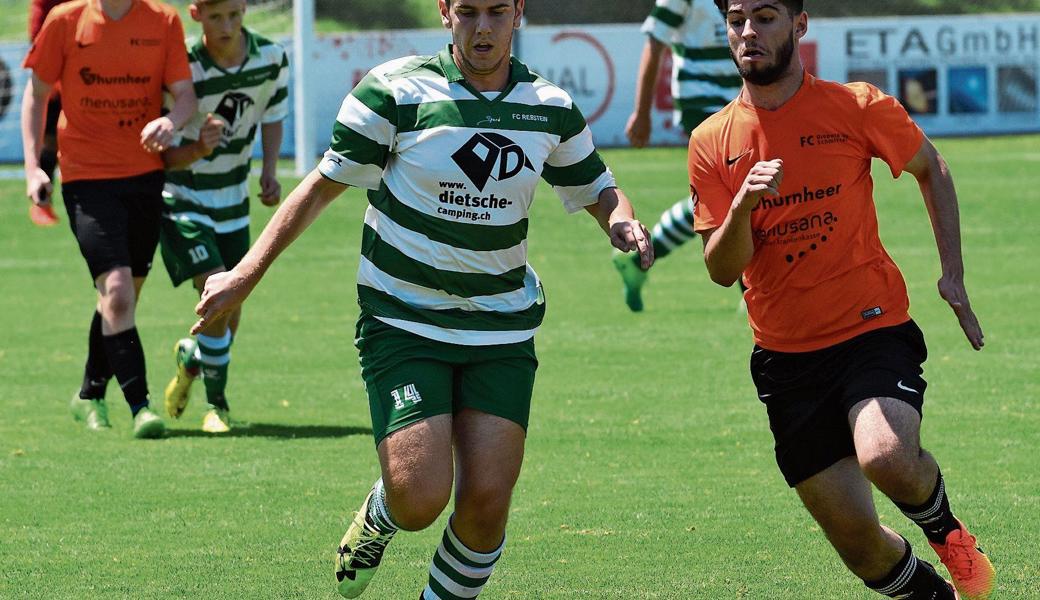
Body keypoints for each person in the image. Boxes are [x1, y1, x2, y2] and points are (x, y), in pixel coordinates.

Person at [192, 0, 653, 596]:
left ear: (518, 14)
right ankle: (381, 515)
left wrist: (621, 222)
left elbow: (598, 187)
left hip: (501, 328)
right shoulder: (393, 91)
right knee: (419, 499)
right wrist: (247, 273)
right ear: (444, 12)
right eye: (467, 12)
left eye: (496, 12)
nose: (482, 28)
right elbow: (320, 188)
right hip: (403, 319)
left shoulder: (550, 108)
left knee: (486, 505)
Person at [692, 1, 994, 599]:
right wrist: (743, 208)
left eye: (766, 16)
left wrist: (952, 276)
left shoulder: (855, 106)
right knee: (862, 550)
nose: (748, 31)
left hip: (870, 330)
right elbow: (723, 271)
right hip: (785, 360)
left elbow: (931, 166)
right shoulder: (711, 140)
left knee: (885, 455)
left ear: (800, 26)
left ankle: (947, 534)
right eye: (736, 19)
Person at [22, 0, 197, 438]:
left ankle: (89, 393)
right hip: (86, 179)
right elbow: (37, 93)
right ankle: (141, 408)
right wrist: (33, 166)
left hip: (144, 179)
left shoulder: (163, 20)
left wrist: (170, 122)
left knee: (120, 298)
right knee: (117, 291)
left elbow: (186, 96)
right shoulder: (65, 21)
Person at [159, 0, 288, 433]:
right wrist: (198, 146)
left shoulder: (271, 58)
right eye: (216, 17)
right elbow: (162, 158)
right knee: (216, 291)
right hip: (183, 197)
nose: (227, 26)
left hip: (233, 201)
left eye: (234, 14)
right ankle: (217, 406)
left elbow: (272, 116)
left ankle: (193, 359)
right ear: (196, 14)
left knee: (230, 305)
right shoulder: (181, 68)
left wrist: (269, 171)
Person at [612, 0, 741, 311]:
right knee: (739, 193)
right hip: (702, 105)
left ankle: (643, 256)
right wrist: (642, 113)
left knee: (724, 198)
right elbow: (654, 43)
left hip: (741, 99)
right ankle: (753, 292)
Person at [26, 0, 73, 226]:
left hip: (86, 69)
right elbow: (37, 34)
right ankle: (42, 201)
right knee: (49, 140)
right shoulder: (48, 8)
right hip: (55, 72)